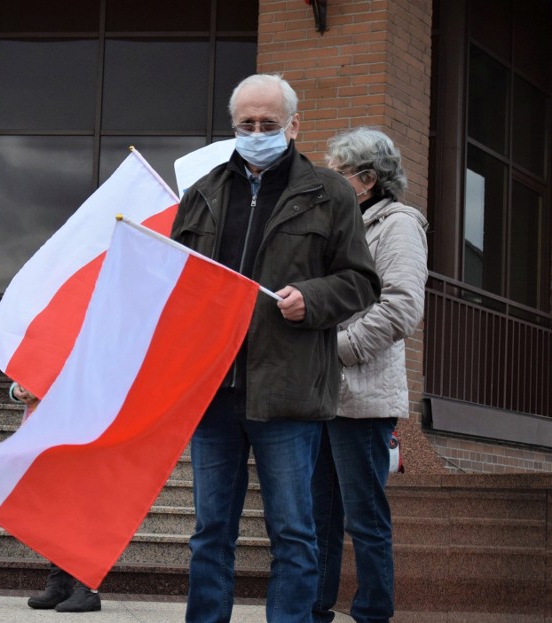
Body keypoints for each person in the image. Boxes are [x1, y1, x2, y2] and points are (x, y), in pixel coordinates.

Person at [170, 73, 381, 623]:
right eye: (247, 124)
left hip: (288, 393)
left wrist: (310, 299)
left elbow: (361, 282)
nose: (257, 132)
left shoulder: (330, 193)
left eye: (269, 124)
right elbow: (174, 282)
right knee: (209, 531)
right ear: (233, 125)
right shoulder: (203, 193)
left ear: (294, 124)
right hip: (214, 390)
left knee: (294, 532)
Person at [311, 128, 428, 623]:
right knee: (318, 520)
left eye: (337, 171)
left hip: (361, 400)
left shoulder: (398, 224)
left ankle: (372, 614)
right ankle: (313, 612)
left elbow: (402, 307)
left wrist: (336, 350)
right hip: (319, 396)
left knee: (364, 520)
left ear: (366, 179)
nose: (328, 180)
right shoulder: (341, 222)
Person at [8, 381, 102, 613]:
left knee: (81, 508)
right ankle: (61, 583)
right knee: (59, 511)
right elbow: (33, 367)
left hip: (80, 424)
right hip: (46, 431)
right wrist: (17, 389)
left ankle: (89, 587)